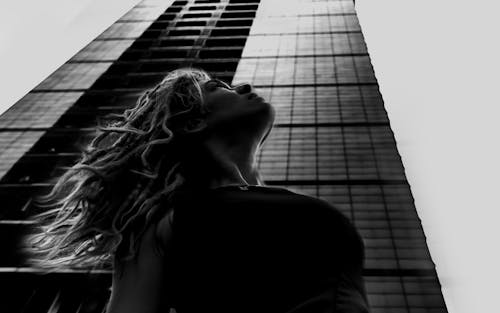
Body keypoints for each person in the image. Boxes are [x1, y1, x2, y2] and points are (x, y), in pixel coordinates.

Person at [30, 67, 370, 312]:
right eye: (219, 87)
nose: (245, 84)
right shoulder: (165, 221)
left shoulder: (284, 201)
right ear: (194, 122)